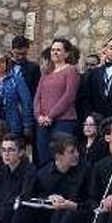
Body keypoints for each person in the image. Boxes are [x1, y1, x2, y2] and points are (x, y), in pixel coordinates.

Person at [34, 38, 80, 167]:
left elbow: (69, 96)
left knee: (61, 158)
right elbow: (37, 96)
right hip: (43, 123)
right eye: (53, 50)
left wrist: (51, 116)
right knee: (43, 157)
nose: (55, 52)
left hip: (63, 121)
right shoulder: (46, 73)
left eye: (58, 50)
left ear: (66, 54)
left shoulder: (71, 70)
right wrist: (38, 116)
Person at [80, 37, 112, 118]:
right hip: (96, 116)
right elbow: (87, 96)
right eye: (111, 48)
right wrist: (89, 114)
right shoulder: (94, 72)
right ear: (106, 50)